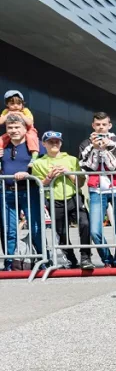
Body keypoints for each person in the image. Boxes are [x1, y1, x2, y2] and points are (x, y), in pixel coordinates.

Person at [34, 131, 93, 269]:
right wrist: (49, 177)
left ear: (61, 143)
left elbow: (80, 182)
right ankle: (71, 259)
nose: (54, 144)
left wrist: (68, 172)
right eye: (50, 142)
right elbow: (39, 184)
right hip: (53, 199)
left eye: (57, 141)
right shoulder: (38, 163)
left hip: (73, 196)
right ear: (44, 144)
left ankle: (85, 257)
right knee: (61, 232)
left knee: (85, 224)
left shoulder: (71, 159)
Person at [79, 112, 116, 267]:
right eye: (98, 124)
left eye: (104, 124)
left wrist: (107, 148)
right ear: (93, 125)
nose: (101, 127)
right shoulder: (85, 143)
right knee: (95, 230)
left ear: (109, 125)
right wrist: (95, 149)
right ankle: (107, 259)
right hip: (96, 190)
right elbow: (86, 167)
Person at [1, 113, 44, 270]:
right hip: (7, 193)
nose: (13, 130)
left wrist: (28, 174)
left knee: (35, 228)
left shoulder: (35, 145)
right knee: (9, 230)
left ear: (25, 129)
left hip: (29, 191)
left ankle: (43, 260)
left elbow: (45, 165)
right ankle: (9, 263)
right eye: (10, 127)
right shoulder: (3, 146)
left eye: (17, 127)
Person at [0, 91, 40, 167]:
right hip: (12, 133)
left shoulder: (25, 111)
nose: (16, 106)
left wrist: (21, 114)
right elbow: (1, 122)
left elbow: (30, 123)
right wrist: (7, 114)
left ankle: (34, 156)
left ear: (22, 104)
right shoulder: (6, 111)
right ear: (7, 104)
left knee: (32, 138)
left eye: (18, 104)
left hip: (29, 130)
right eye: (12, 104)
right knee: (1, 140)